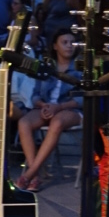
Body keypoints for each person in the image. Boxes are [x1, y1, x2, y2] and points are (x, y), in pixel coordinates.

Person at [16, 30, 83, 189]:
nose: (69, 46)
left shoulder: (80, 67)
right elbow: (35, 95)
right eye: (64, 42)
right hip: (47, 107)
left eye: (72, 42)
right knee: (24, 123)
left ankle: (28, 175)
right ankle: (35, 175)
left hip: (69, 109)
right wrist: (43, 105)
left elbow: (81, 99)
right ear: (55, 46)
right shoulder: (46, 66)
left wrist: (58, 107)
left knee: (57, 122)